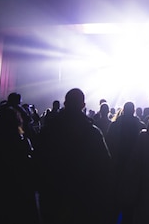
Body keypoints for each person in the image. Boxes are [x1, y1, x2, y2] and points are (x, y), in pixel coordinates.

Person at [36, 88, 113, 224]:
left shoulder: (48, 130)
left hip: (53, 195)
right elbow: (105, 166)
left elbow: (38, 160)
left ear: (65, 103)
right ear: (83, 105)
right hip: (84, 197)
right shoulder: (93, 133)